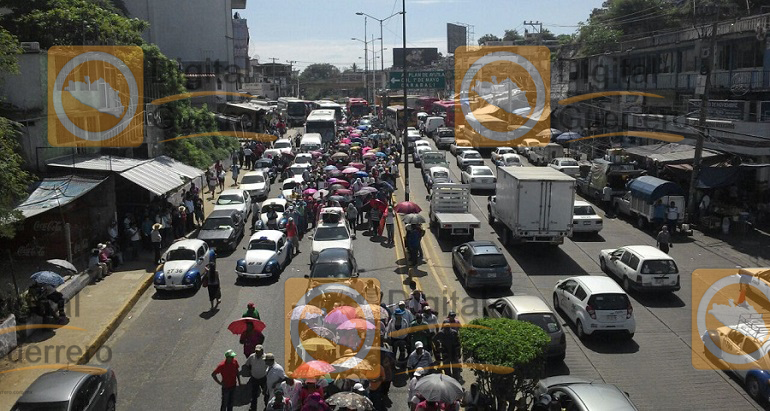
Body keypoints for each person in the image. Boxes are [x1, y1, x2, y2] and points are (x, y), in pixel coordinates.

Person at [246, 345, 268, 411]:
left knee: (266, 393)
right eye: (256, 351)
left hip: (263, 378)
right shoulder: (252, 356)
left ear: (262, 351)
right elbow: (247, 364)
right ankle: (253, 408)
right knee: (254, 394)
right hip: (254, 378)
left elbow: (269, 368)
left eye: (259, 351)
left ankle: (267, 406)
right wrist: (249, 372)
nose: (257, 352)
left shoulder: (266, 358)